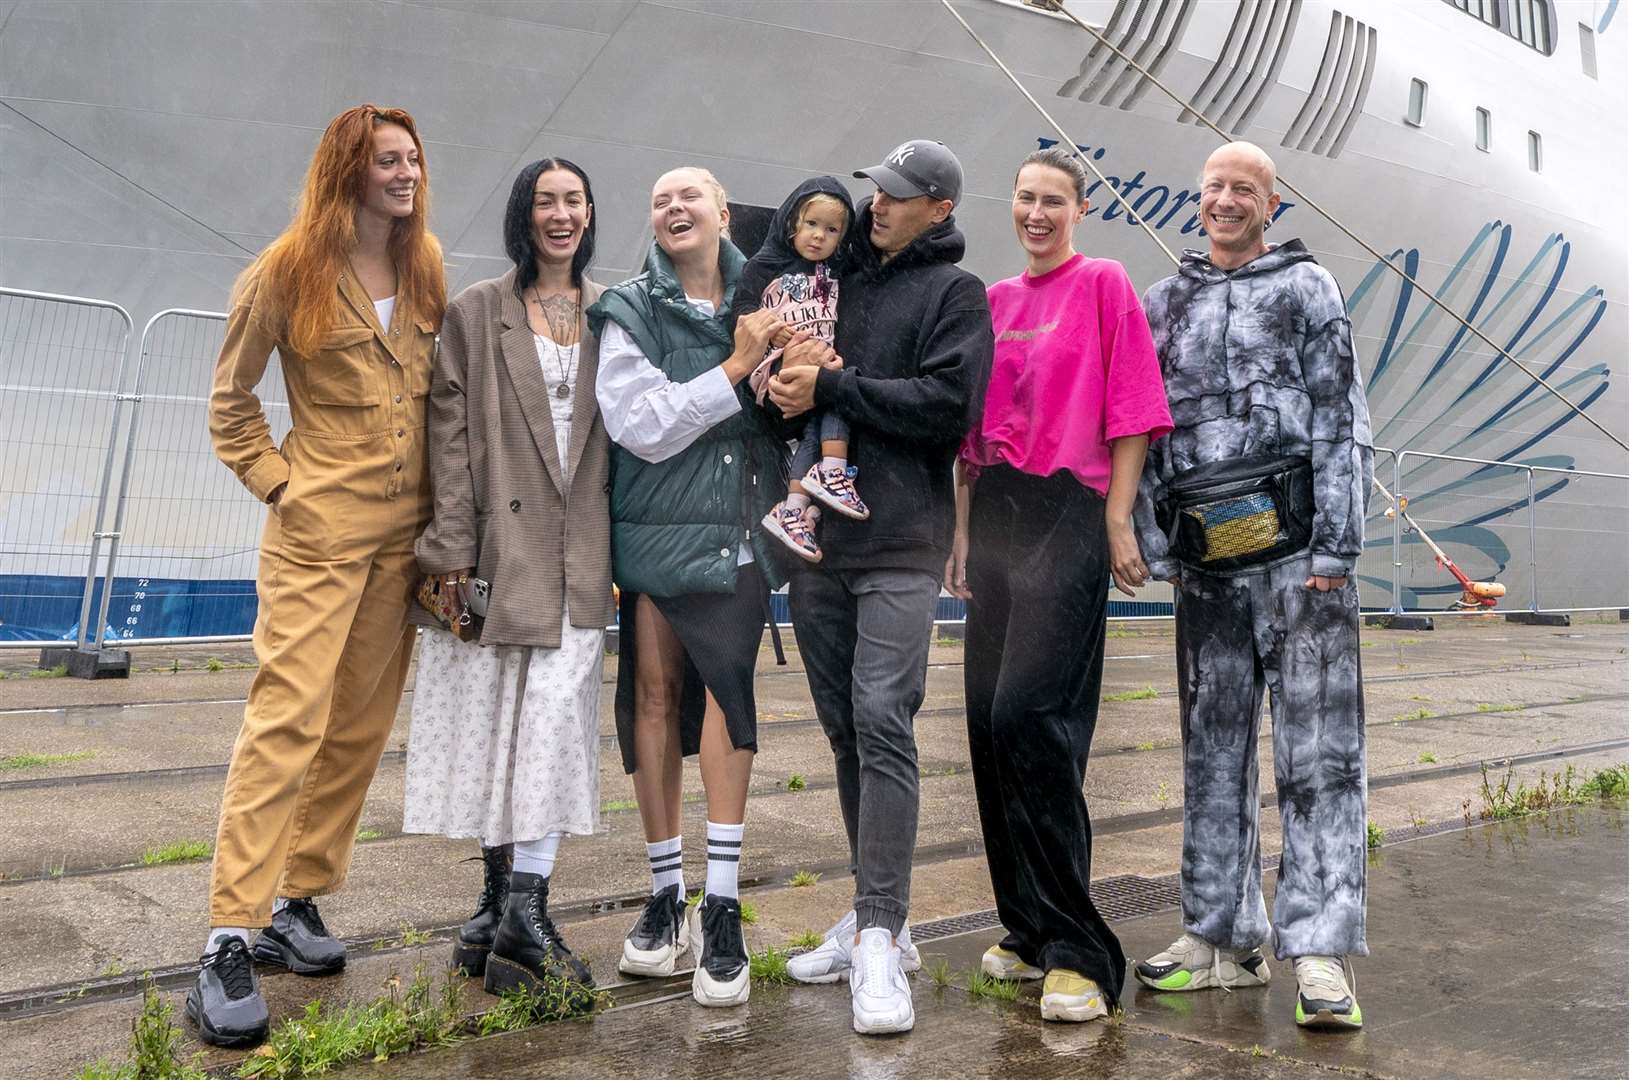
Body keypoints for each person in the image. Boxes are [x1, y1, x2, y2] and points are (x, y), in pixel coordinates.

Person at [196, 104, 445, 1048]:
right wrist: (283, 489)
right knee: (286, 718)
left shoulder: (422, 269)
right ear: (346, 169)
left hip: (400, 541)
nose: (407, 173)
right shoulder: (285, 270)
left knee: (356, 729)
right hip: (317, 535)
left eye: (413, 159)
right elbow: (231, 409)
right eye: (388, 160)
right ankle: (227, 930)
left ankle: (294, 901)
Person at [1128, 141, 1374, 1030]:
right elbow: (1146, 429)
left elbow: (1342, 419)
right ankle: (1218, 932)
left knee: (1319, 757)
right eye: (1213, 189)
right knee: (1211, 747)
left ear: (1272, 203)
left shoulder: (1309, 292)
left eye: (1243, 189)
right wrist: (1156, 542)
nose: (1224, 202)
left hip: (1299, 559)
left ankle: (1317, 950)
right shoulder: (1166, 303)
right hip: (1208, 568)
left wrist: (1335, 548)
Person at [767, 140, 994, 1035]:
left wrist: (833, 384)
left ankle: (880, 936)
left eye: (897, 197)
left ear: (938, 207)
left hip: (901, 540)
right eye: (875, 192)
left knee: (881, 721)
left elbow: (947, 406)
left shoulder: (954, 296)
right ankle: (874, 917)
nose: (876, 206)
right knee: (842, 734)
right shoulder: (838, 282)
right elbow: (795, 381)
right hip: (820, 546)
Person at [950, 146, 1172, 1023]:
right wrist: (961, 538)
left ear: (1079, 210)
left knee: (1030, 716)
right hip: (996, 512)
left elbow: (1131, 405)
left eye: (1053, 202)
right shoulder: (994, 302)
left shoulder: (1104, 283)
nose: (1035, 214)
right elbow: (969, 441)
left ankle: (1080, 948)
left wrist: (1117, 519)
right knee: (982, 724)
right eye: (1024, 200)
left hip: (1068, 513)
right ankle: (1027, 929)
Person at [404, 158, 611, 996]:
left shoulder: (615, 313)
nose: (558, 215)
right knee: (495, 723)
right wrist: (451, 549)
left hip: (582, 549)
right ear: (522, 217)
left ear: (591, 213)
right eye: (542, 202)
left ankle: (522, 907)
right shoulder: (477, 311)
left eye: (572, 201)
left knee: (555, 720)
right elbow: (447, 439)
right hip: (492, 551)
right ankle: (496, 909)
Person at [587, 166, 785, 1009]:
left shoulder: (772, 295)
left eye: (688, 197)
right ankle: (667, 893)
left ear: (721, 212)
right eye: (660, 198)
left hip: (738, 535)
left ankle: (725, 901)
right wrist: (738, 368)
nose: (673, 208)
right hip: (658, 536)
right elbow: (638, 426)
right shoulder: (629, 308)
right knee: (656, 699)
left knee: (726, 708)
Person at [731, 177, 862, 563]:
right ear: (792, 223)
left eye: (831, 229)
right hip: (778, 363)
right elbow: (741, 310)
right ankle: (834, 470)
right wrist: (771, 329)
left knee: (817, 425)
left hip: (821, 358)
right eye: (811, 224)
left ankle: (793, 507)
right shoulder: (765, 265)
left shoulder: (838, 274)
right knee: (834, 401)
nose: (819, 237)